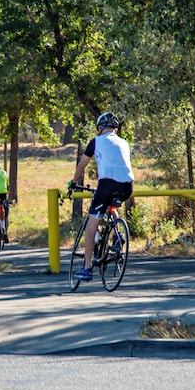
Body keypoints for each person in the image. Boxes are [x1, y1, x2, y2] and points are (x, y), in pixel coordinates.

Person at [68, 112, 135, 282]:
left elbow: (82, 165)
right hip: (127, 185)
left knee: (92, 224)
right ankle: (118, 233)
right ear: (115, 128)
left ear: (100, 128)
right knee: (110, 206)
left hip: (107, 184)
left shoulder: (96, 142)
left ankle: (87, 268)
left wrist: (73, 182)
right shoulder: (125, 143)